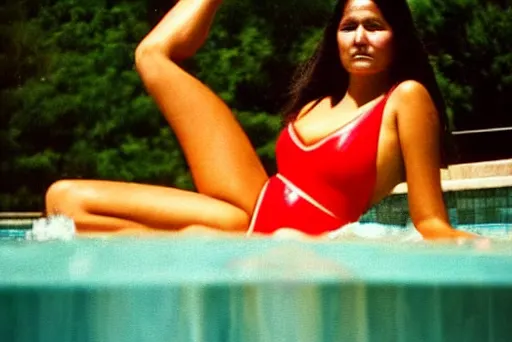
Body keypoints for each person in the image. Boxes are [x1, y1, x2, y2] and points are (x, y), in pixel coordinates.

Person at [45, 0, 473, 239]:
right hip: (250, 204)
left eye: (374, 25)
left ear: (397, 37)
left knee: (76, 209)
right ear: (335, 37)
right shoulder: (316, 102)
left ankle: (185, 246)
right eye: (349, 26)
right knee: (63, 200)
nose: (360, 37)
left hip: (267, 236)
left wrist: (481, 248)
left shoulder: (406, 99)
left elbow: (430, 220)